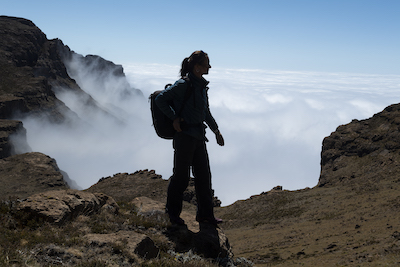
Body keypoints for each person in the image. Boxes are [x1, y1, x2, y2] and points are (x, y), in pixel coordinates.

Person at [155, 50, 224, 226]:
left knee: (204, 177)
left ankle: (205, 215)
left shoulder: (201, 86)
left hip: (199, 137)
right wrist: (174, 118)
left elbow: (205, 112)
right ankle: (172, 214)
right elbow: (160, 99)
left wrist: (216, 131)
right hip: (184, 137)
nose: (209, 66)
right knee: (181, 177)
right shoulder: (183, 85)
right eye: (206, 63)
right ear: (197, 67)